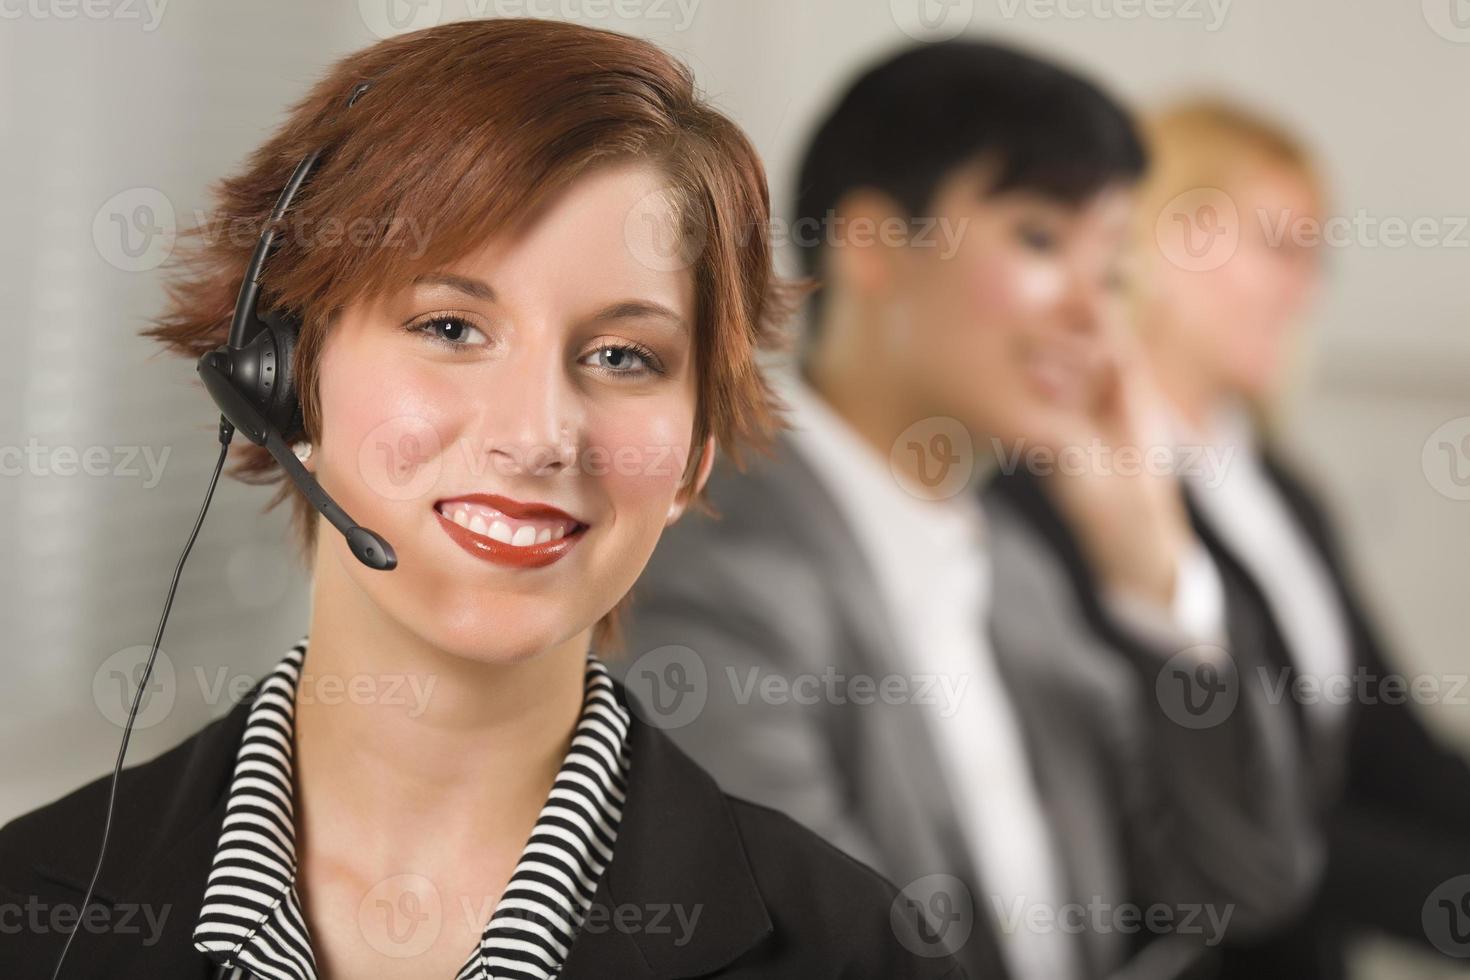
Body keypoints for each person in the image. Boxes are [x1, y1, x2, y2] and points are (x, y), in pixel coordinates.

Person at [0, 20, 965, 980]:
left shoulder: (857, 952)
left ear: (694, 457)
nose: (540, 433)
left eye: (624, 356)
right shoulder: (27, 911)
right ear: (282, 378)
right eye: (452, 326)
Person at [617, 41, 1315, 980]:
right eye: (1038, 240)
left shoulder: (1018, 567)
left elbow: (1251, 882)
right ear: (870, 246)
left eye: (1111, 271)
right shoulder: (709, 565)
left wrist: (1157, 580)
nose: (1093, 316)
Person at [1127, 98, 1470, 978]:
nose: (1305, 291)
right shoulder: (1078, 495)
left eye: (1315, 257)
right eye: (1280, 246)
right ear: (1169, 240)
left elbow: (1390, 749)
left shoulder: (1281, 489)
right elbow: (1211, 815)